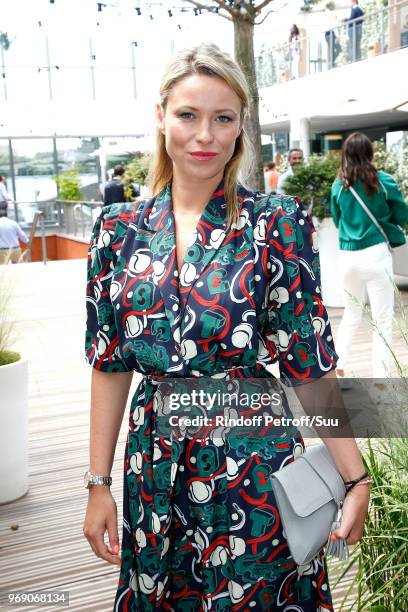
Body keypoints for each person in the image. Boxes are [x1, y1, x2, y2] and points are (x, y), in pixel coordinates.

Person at [83, 43, 370, 611]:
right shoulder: (117, 231)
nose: (205, 135)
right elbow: (109, 364)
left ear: (240, 126)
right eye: (189, 115)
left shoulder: (275, 224)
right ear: (161, 116)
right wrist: (97, 485)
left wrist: (354, 477)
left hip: (254, 465)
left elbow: (309, 366)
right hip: (155, 465)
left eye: (224, 118)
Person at [330, 132, 408, 379]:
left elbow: (337, 219)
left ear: (346, 154)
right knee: (382, 318)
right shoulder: (383, 181)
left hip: (348, 258)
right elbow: (403, 215)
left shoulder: (339, 185)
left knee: (351, 313)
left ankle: (339, 365)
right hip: (376, 256)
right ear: (370, 154)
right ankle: (380, 379)